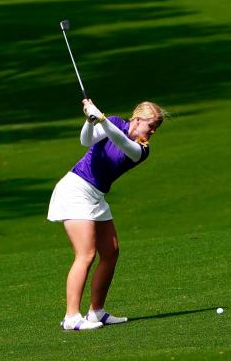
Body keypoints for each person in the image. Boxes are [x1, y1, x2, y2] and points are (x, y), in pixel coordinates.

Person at [47, 98, 166, 331]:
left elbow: (120, 141)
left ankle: (96, 312)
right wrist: (90, 121)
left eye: (156, 128)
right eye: (151, 125)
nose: (153, 131)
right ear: (137, 119)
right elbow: (85, 140)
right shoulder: (113, 122)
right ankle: (71, 317)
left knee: (111, 252)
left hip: (96, 196)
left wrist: (99, 117)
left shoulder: (141, 149)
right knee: (86, 254)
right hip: (76, 189)